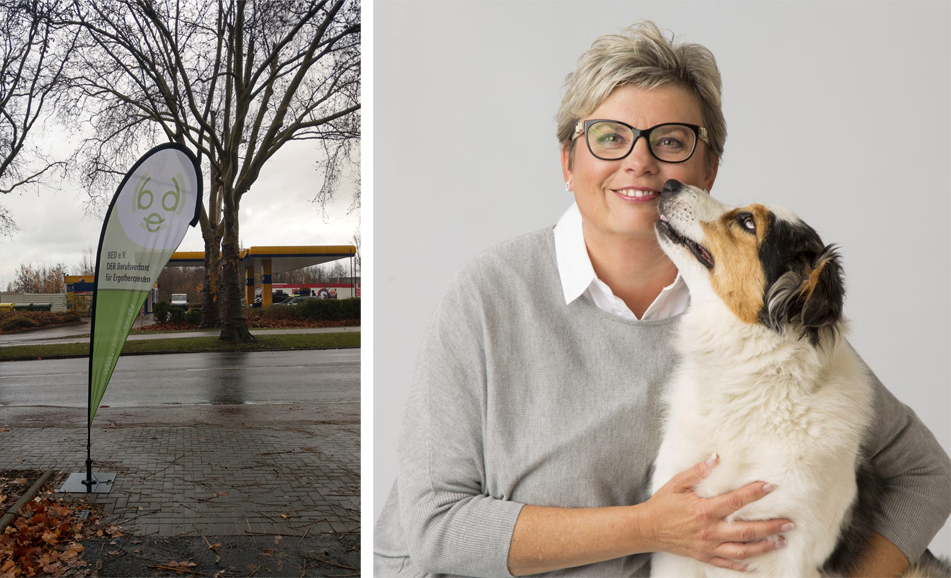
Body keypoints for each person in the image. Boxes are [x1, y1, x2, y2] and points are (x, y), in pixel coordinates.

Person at [373, 21, 950, 577]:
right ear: (568, 163)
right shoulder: (486, 297)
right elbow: (435, 528)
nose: (639, 160)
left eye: (670, 140)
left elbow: (927, 473)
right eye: (609, 136)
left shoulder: (757, 329)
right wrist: (648, 527)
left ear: (708, 169)